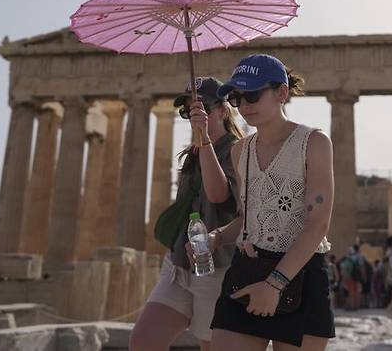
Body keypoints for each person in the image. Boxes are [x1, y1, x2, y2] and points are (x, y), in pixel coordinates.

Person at [208, 54, 336, 351]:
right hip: (249, 270)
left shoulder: (314, 143)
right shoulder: (240, 150)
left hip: (301, 273)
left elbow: (318, 224)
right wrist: (216, 237)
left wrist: (275, 284)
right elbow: (246, 216)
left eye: (252, 94)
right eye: (237, 97)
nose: (244, 105)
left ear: (281, 92)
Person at [130, 77, 244, 351]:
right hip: (178, 264)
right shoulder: (192, 153)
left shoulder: (238, 150)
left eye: (202, 107)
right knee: (143, 342)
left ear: (222, 110)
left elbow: (218, 196)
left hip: (217, 269)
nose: (194, 114)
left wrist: (204, 137)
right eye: (187, 110)